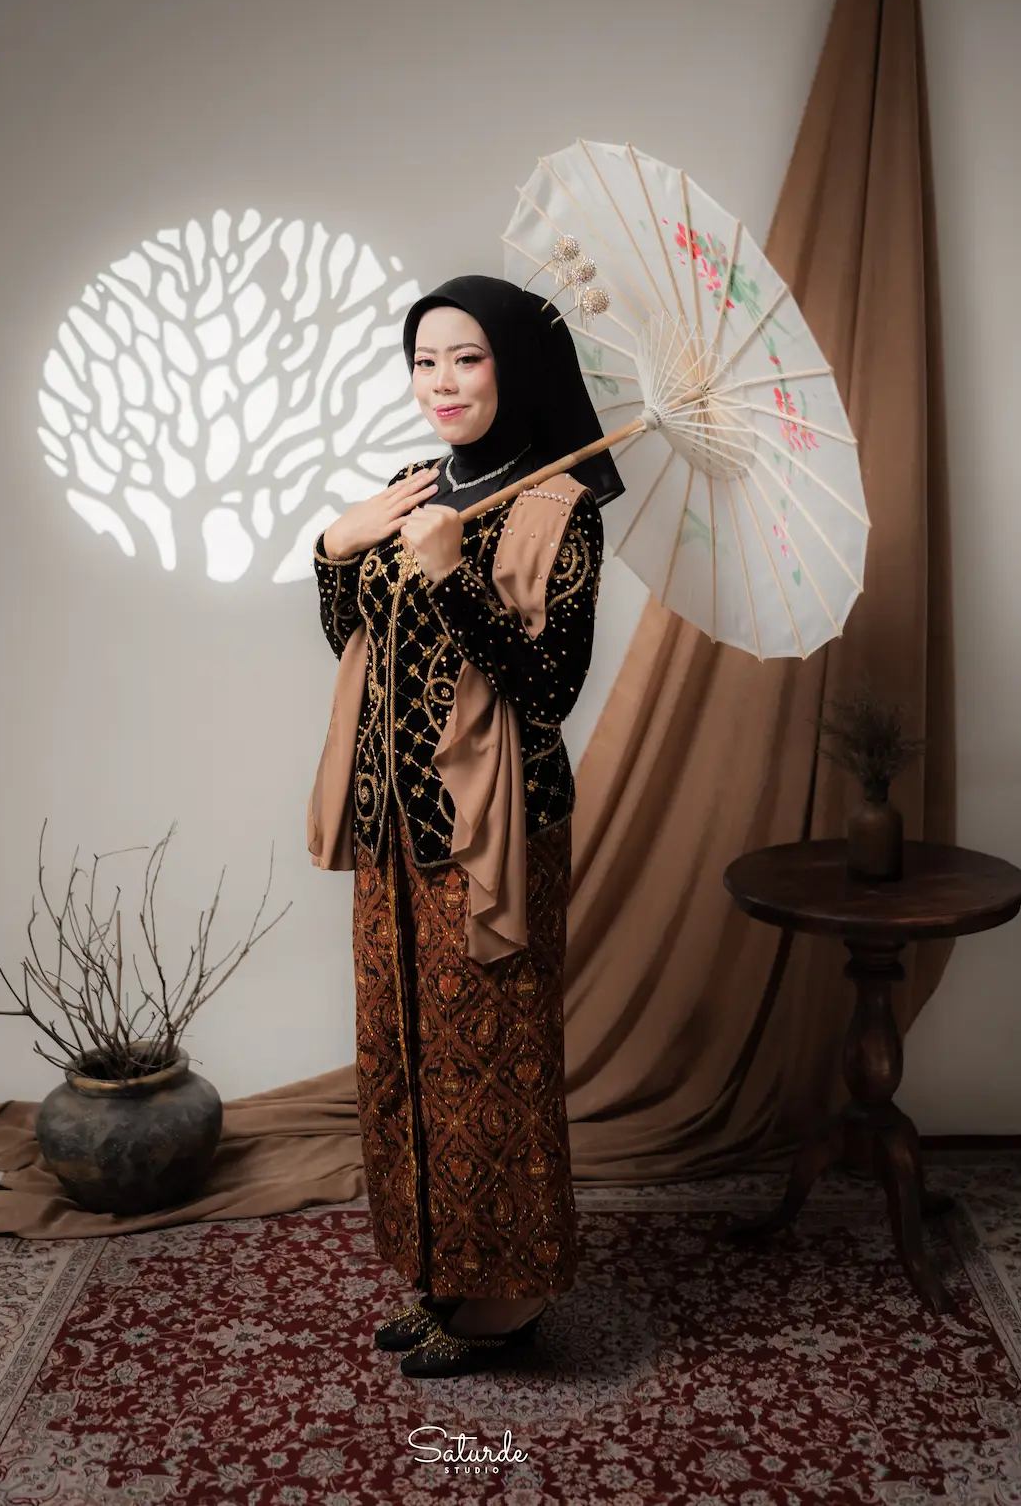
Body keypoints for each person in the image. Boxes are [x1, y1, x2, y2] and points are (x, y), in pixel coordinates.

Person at [309, 275, 623, 1378]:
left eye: (467, 358)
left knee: (490, 1059)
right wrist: (335, 546)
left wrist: (453, 579)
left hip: (494, 828)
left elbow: (548, 689)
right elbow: (354, 637)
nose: (441, 382)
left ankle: (508, 1298)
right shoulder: (413, 487)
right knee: (404, 1049)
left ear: (515, 369)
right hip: (392, 822)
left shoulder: (562, 507)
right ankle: (443, 1274)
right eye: (424, 360)